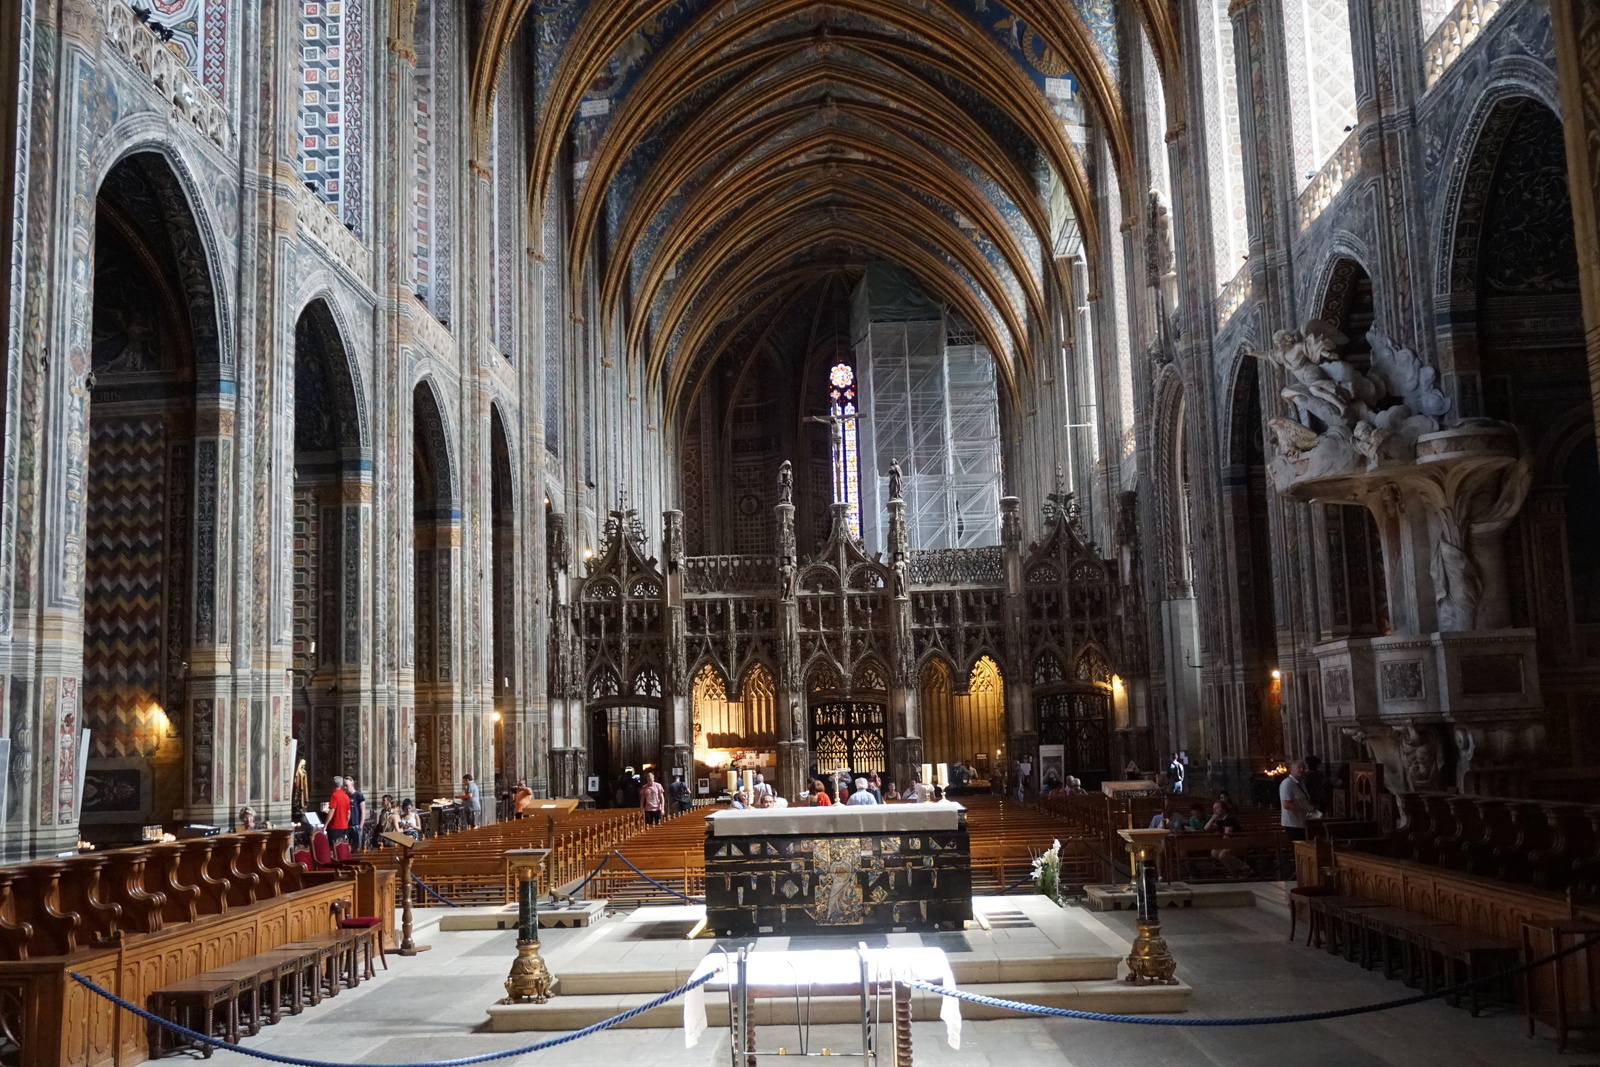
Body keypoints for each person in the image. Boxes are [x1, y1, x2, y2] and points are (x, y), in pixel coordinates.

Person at [1279, 759, 1317, 841]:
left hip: (1301, 822)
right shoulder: (1287, 783)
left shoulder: (1301, 783)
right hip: (1293, 824)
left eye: (1303, 767)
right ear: (1291, 769)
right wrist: (1305, 808)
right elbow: (1286, 804)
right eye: (1299, 767)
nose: (1302, 770)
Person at [324, 776, 352, 851]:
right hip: (344, 826)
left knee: (333, 849)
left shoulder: (334, 795)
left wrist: (325, 825)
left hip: (335, 826)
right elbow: (348, 813)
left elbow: (332, 811)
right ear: (341, 785)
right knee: (342, 848)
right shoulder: (346, 796)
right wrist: (346, 823)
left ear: (333, 784)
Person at [345, 777, 367, 849]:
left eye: (347, 785)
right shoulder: (345, 796)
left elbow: (363, 811)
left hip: (356, 825)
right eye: (344, 786)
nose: (345, 787)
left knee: (357, 846)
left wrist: (361, 825)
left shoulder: (358, 795)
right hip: (347, 825)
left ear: (352, 784)